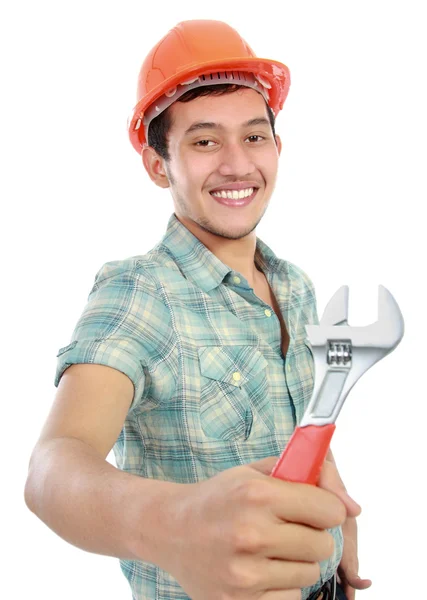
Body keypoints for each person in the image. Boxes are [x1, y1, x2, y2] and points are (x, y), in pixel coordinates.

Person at [24, 20, 372, 600]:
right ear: (159, 164)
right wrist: (176, 523)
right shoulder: (140, 291)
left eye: (255, 137)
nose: (237, 165)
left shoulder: (297, 288)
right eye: (205, 141)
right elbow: (52, 469)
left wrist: (335, 520)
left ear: (277, 148)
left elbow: (300, 423)